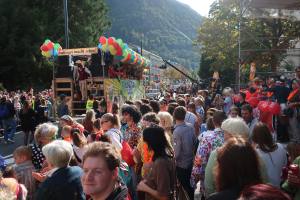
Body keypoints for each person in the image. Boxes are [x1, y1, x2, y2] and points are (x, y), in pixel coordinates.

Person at [191, 111, 226, 191]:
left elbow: (200, 158)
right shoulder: (231, 137)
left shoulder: (207, 138)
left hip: (209, 179)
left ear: (213, 121)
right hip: (227, 179)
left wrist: (194, 178)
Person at [137, 126, 175, 200]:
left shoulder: (160, 163)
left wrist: (144, 187)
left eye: (145, 141)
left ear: (151, 142)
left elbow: (164, 196)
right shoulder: (163, 157)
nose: (144, 144)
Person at [252, 122, 287, 187]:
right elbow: (284, 164)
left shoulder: (256, 153)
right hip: (279, 186)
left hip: (266, 190)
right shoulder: (281, 147)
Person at [173, 106, 196, 200]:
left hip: (181, 164)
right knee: (190, 187)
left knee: (184, 188)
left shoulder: (177, 131)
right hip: (190, 161)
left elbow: (177, 153)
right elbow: (195, 142)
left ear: (174, 116)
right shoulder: (190, 127)